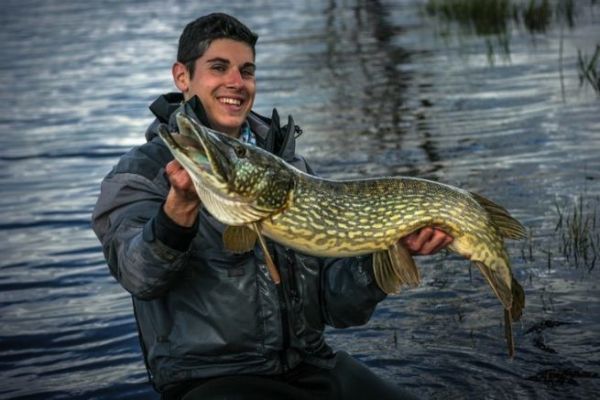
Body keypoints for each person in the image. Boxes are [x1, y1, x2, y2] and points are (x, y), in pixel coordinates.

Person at [92, 13, 452, 400]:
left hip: (311, 365)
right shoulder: (139, 174)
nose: (236, 82)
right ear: (182, 76)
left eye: (246, 71)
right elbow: (138, 276)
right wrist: (177, 211)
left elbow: (336, 306)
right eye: (219, 68)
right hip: (214, 380)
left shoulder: (289, 170)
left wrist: (389, 255)